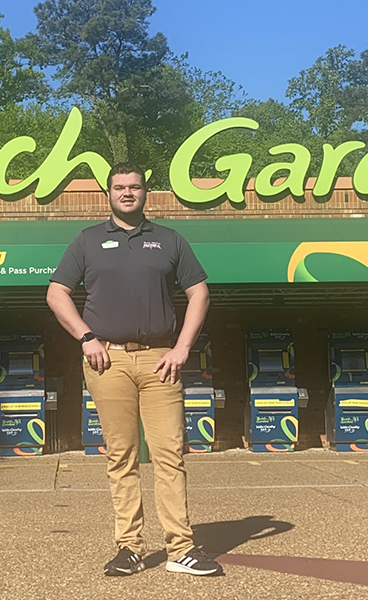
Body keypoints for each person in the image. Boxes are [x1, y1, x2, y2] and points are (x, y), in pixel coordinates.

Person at [46, 162, 223, 577]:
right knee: (121, 456)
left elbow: (200, 293)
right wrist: (86, 337)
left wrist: (182, 348)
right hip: (108, 361)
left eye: (135, 187)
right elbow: (56, 293)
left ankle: (181, 549)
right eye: (119, 187)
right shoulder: (88, 241)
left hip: (161, 361)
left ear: (147, 193)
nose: (127, 193)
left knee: (169, 455)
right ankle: (130, 548)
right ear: (108, 194)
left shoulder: (169, 240)